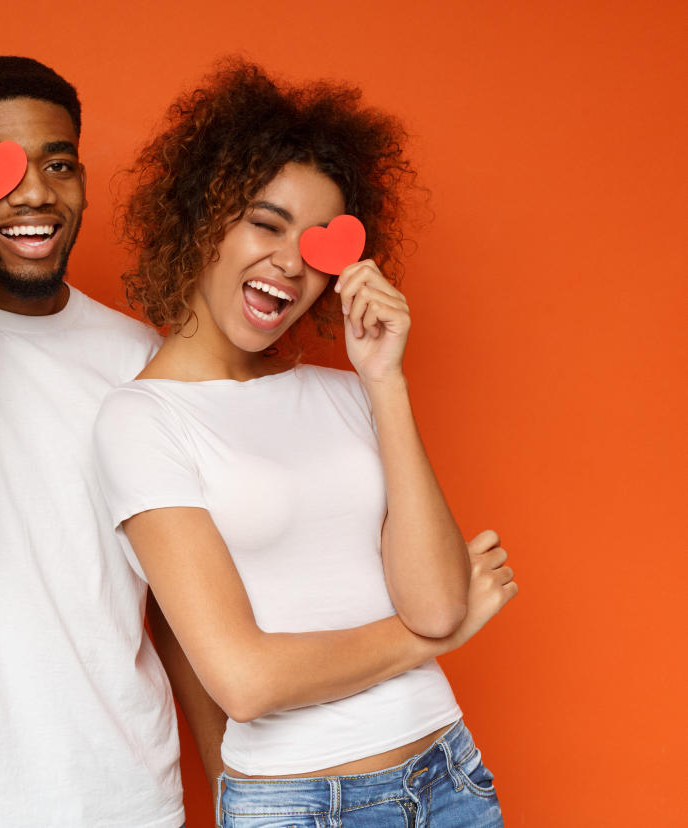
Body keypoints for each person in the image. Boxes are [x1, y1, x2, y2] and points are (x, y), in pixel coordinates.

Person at [0, 55, 510, 827]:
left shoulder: (137, 360)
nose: (36, 193)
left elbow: (178, 619)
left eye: (60, 164)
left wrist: (232, 795)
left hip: (133, 796)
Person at [93, 60, 517, 826]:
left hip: (449, 775)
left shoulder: (351, 394)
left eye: (321, 245)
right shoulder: (141, 421)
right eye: (267, 221)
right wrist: (430, 639)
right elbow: (245, 680)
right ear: (203, 219)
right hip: (302, 805)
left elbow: (438, 595)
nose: (291, 263)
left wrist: (385, 380)